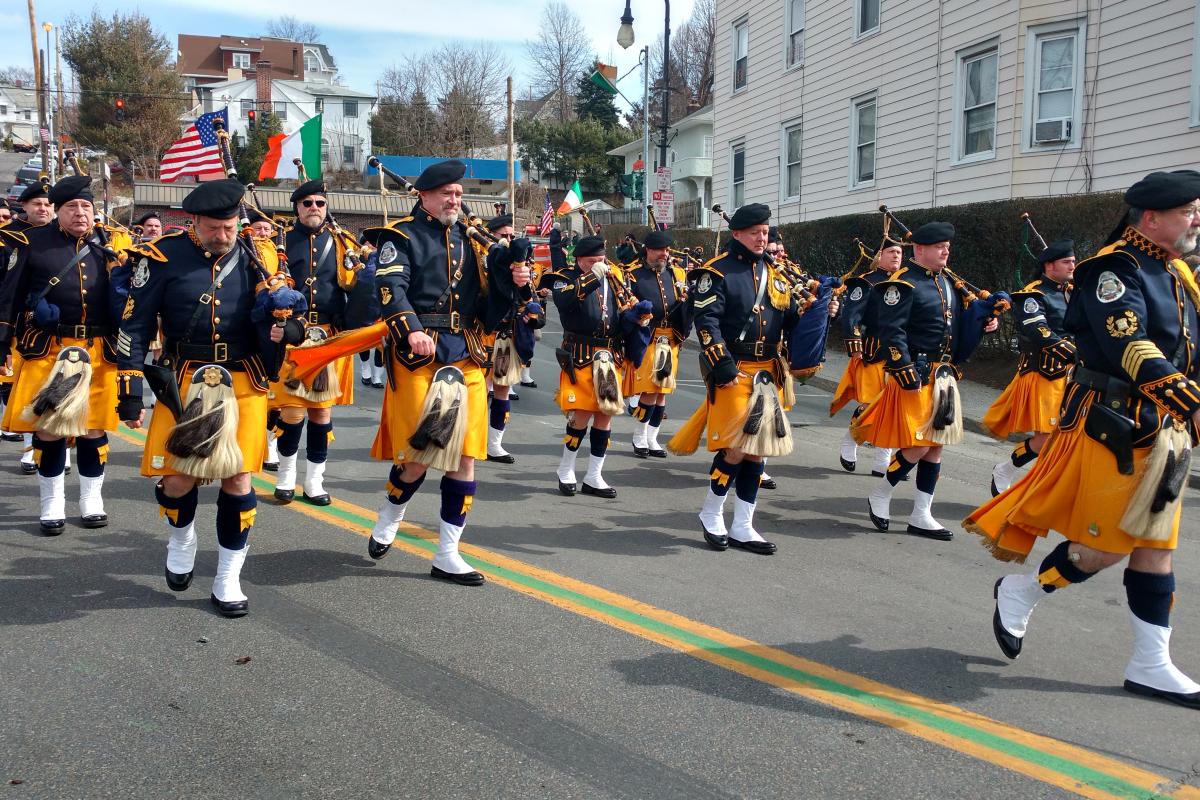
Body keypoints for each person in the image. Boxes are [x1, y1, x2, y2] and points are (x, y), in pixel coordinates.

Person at [965, 171, 1200, 709]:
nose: (1197, 219)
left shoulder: (1179, 271)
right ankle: (1021, 591)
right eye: (1189, 210)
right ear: (1151, 218)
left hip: (1166, 429)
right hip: (1113, 423)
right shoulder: (1110, 269)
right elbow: (1127, 340)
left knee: (1155, 548)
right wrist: (1182, 393)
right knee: (1106, 546)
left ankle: (1151, 663)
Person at [116, 179, 302, 617]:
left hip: (243, 378)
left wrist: (285, 328)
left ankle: (227, 577)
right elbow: (134, 325)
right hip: (184, 378)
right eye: (214, 228)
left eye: (230, 226)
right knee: (179, 480)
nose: (223, 235)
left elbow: (292, 317)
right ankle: (181, 539)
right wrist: (129, 390)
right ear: (193, 222)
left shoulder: (262, 256)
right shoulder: (161, 256)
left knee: (238, 480)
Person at [363, 159, 532, 586]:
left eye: (458, 194)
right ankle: (392, 511)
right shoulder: (400, 236)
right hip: (420, 354)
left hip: (467, 354)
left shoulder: (473, 242)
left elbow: (490, 309)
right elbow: (389, 287)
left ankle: (447, 553)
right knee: (418, 457)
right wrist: (412, 329)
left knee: (465, 456)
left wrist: (512, 281)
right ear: (424, 195)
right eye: (446, 194)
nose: (454, 200)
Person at [667, 203, 803, 555]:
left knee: (758, 452)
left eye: (765, 232)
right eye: (755, 233)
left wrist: (815, 315)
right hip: (734, 369)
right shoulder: (716, 273)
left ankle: (743, 524)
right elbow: (707, 323)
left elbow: (788, 322)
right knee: (735, 448)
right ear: (737, 234)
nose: (762, 238)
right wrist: (722, 366)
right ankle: (711, 512)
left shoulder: (776, 274)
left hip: (767, 372)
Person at [851, 221, 1000, 540]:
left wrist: (986, 322)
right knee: (918, 444)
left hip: (943, 374)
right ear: (919, 249)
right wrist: (902, 368)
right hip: (915, 373)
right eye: (938, 246)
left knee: (935, 448)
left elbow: (959, 323)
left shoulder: (949, 283)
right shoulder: (903, 282)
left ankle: (921, 513)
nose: (946, 250)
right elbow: (892, 329)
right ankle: (881, 493)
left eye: (947, 246)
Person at [0, 175, 121, 533]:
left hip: (99, 349)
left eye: (86, 206)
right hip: (51, 348)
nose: (81, 213)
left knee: (92, 430)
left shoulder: (109, 246)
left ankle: (90, 499)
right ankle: (52, 502)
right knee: (51, 429)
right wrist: (9, 336)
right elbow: (9, 297)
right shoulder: (31, 242)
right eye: (72, 207)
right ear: (57, 211)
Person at [268, 180, 361, 506]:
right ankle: (285, 478)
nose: (314, 208)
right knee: (292, 412)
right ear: (297, 207)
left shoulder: (341, 243)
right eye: (307, 203)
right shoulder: (280, 242)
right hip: (293, 336)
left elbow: (354, 287)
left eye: (320, 203)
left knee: (321, 414)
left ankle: (314, 482)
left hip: (327, 336)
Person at [546, 235, 651, 498]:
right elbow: (565, 301)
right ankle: (566, 468)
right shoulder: (564, 278)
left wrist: (636, 317)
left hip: (609, 355)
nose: (600, 264)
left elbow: (621, 312)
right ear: (579, 260)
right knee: (581, 415)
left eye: (602, 259)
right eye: (593, 260)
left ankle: (594, 476)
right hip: (580, 354)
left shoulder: (614, 280)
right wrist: (592, 276)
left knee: (605, 416)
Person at [983, 239, 1076, 494]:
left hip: (1074, 376)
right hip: (1044, 373)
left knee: (1069, 436)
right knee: (1046, 437)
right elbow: (1039, 331)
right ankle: (1006, 470)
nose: (1072, 266)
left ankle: (1040, 488)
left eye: (1073, 261)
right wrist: (1076, 354)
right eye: (1067, 262)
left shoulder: (1073, 292)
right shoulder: (1032, 294)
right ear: (1049, 265)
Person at [830, 235, 904, 476]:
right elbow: (852, 315)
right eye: (891, 251)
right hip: (874, 350)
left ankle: (883, 460)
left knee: (893, 406)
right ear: (878, 256)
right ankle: (850, 440)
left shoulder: (907, 283)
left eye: (899, 252)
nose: (896, 255)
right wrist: (855, 346)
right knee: (871, 404)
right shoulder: (866, 283)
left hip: (902, 352)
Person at [1, 181, 56, 470]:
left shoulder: (65, 238)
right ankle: (29, 445)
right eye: (37, 204)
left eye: (48, 204)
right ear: (24, 207)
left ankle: (52, 445)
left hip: (53, 328)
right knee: (21, 389)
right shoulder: (9, 239)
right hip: (20, 325)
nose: (43, 208)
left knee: (55, 391)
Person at [484, 212, 545, 464]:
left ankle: (494, 444)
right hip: (482, 335)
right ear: (491, 237)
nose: (508, 240)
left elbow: (529, 300)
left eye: (511, 235)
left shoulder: (521, 267)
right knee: (476, 391)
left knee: (502, 391)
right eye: (502, 236)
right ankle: (470, 438)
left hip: (508, 336)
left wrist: (534, 314)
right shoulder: (479, 262)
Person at [624, 229, 688, 458]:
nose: (665, 254)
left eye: (667, 250)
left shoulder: (675, 274)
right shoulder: (633, 275)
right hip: (647, 338)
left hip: (670, 339)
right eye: (660, 250)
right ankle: (639, 436)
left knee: (662, 392)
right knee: (650, 390)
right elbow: (625, 308)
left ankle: (652, 438)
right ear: (648, 251)